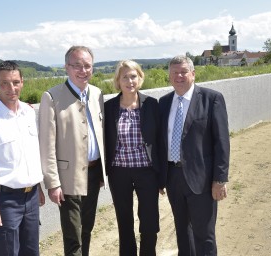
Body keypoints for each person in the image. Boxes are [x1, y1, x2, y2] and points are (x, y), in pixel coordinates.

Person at [38, 45, 107, 256]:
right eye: (77, 65)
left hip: (94, 174)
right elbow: (46, 145)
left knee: (87, 229)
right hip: (67, 178)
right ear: (66, 67)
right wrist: (53, 183)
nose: (82, 70)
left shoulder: (97, 94)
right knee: (72, 235)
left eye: (87, 66)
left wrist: (104, 170)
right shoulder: (52, 97)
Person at [0, 61, 45, 256]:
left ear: (22, 82)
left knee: (31, 252)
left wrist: (39, 188)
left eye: (15, 82)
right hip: (5, 201)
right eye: (4, 83)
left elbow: (30, 155)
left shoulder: (29, 112)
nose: (11, 88)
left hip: (31, 198)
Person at [158, 55, 230, 256]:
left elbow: (222, 142)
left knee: (204, 234)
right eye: (174, 73)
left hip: (203, 179)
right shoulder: (163, 103)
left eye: (183, 72)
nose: (179, 76)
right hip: (173, 177)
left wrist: (220, 179)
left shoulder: (211, 99)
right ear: (169, 76)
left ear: (193, 73)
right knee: (182, 231)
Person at [104, 60, 163, 256]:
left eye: (133, 76)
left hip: (146, 171)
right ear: (118, 81)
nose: (129, 81)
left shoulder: (152, 105)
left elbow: (160, 142)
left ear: (140, 78)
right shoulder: (109, 107)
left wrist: (161, 177)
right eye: (125, 77)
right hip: (119, 172)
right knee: (124, 221)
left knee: (149, 220)